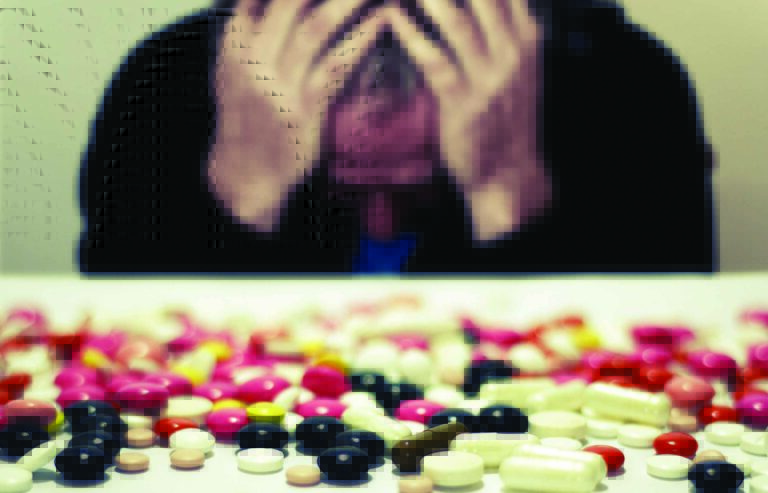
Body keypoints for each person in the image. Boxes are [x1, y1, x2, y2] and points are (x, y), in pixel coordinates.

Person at [77, 0, 718, 274]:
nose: (381, 226)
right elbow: (123, 362)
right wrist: (242, 198)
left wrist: (506, 198)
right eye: (346, 191)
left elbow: (657, 361)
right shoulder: (162, 89)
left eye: (418, 190)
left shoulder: (629, 89)